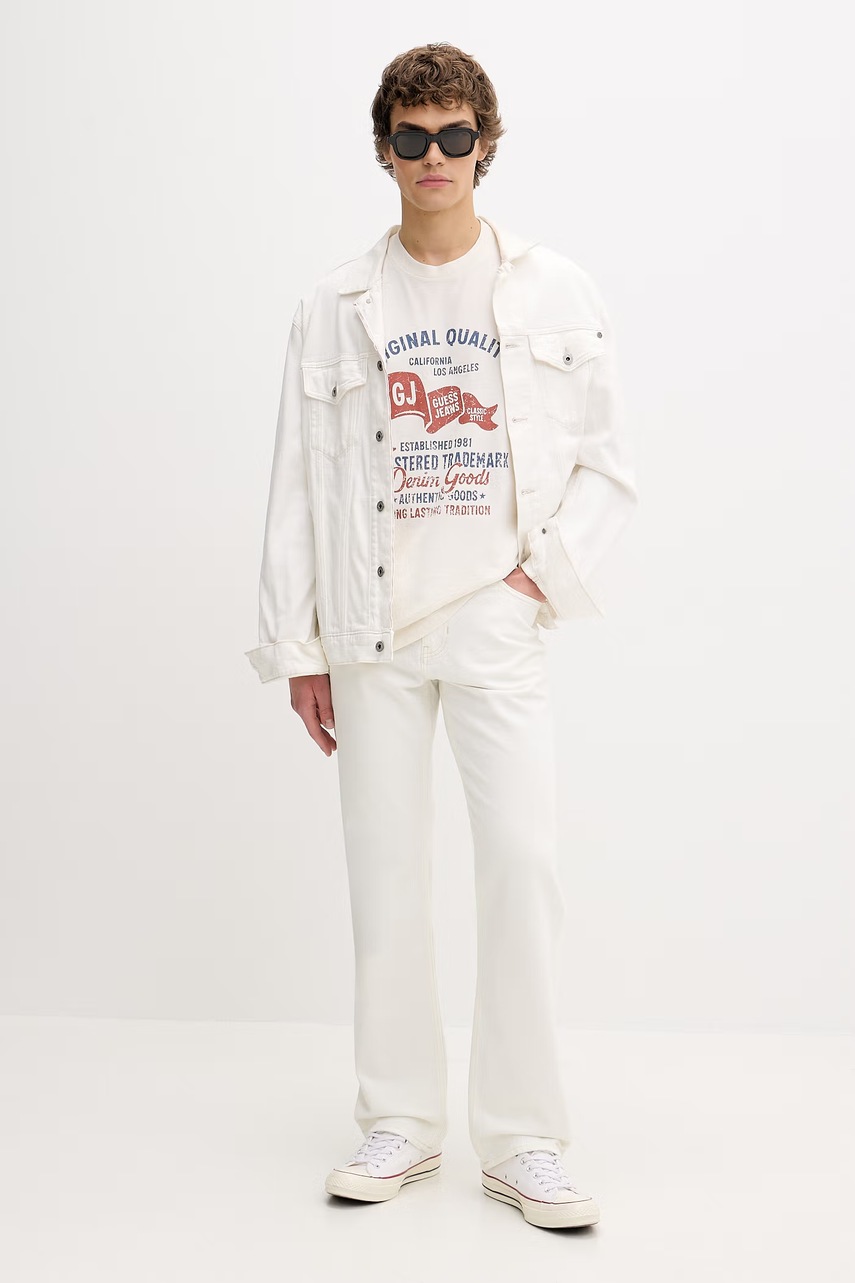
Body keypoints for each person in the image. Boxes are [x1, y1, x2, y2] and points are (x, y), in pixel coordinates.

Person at [245, 42, 637, 1230]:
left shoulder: (553, 290)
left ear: (485, 145)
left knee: (521, 864)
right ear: (384, 149)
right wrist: (298, 646)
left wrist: (531, 586)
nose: (434, 156)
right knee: (387, 875)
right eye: (412, 137)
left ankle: (523, 1138)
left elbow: (608, 467)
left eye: (454, 135)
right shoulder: (334, 305)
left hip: (494, 623)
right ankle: (401, 1120)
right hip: (370, 630)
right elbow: (295, 483)